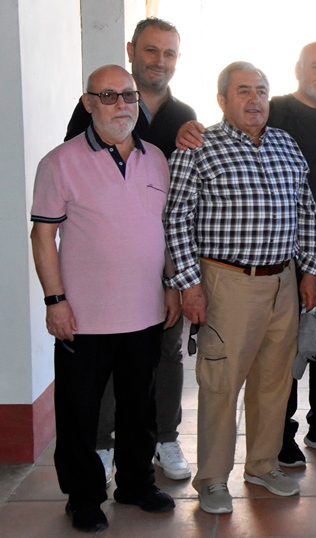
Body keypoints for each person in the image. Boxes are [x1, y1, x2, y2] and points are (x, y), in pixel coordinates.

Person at [177, 42, 316, 464]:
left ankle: (312, 435)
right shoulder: (264, 117)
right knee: (252, 368)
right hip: (259, 270)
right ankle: (264, 447)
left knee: (313, 356)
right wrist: (190, 285)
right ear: (297, 70)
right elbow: (178, 215)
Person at [165, 62, 316, 514]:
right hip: (226, 282)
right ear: (222, 100)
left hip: (283, 281)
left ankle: (262, 464)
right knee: (221, 382)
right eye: (243, 91)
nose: (255, 100)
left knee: (274, 380)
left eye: (262, 91)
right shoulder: (198, 147)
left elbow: (306, 211)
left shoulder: (286, 144)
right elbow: (175, 219)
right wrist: (189, 285)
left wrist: (309, 271)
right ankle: (213, 478)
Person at [31, 65, 177, 532]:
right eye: (109, 96)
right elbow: (42, 236)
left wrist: (171, 284)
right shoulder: (59, 162)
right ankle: (84, 497)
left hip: (146, 311)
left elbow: (163, 230)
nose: (121, 105)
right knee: (79, 414)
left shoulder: (157, 158)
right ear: (89, 102)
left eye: (128, 96)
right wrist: (55, 300)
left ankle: (136, 484)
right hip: (84, 317)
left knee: (140, 408)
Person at [64, 17, 196, 484]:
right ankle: (103, 444)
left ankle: (164, 438)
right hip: (103, 261)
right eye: (151, 50)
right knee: (103, 356)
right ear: (132, 50)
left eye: (169, 53)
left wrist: (176, 276)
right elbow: (77, 176)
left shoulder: (185, 115)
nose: (160, 60)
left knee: (166, 352)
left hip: (162, 256)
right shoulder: (92, 107)